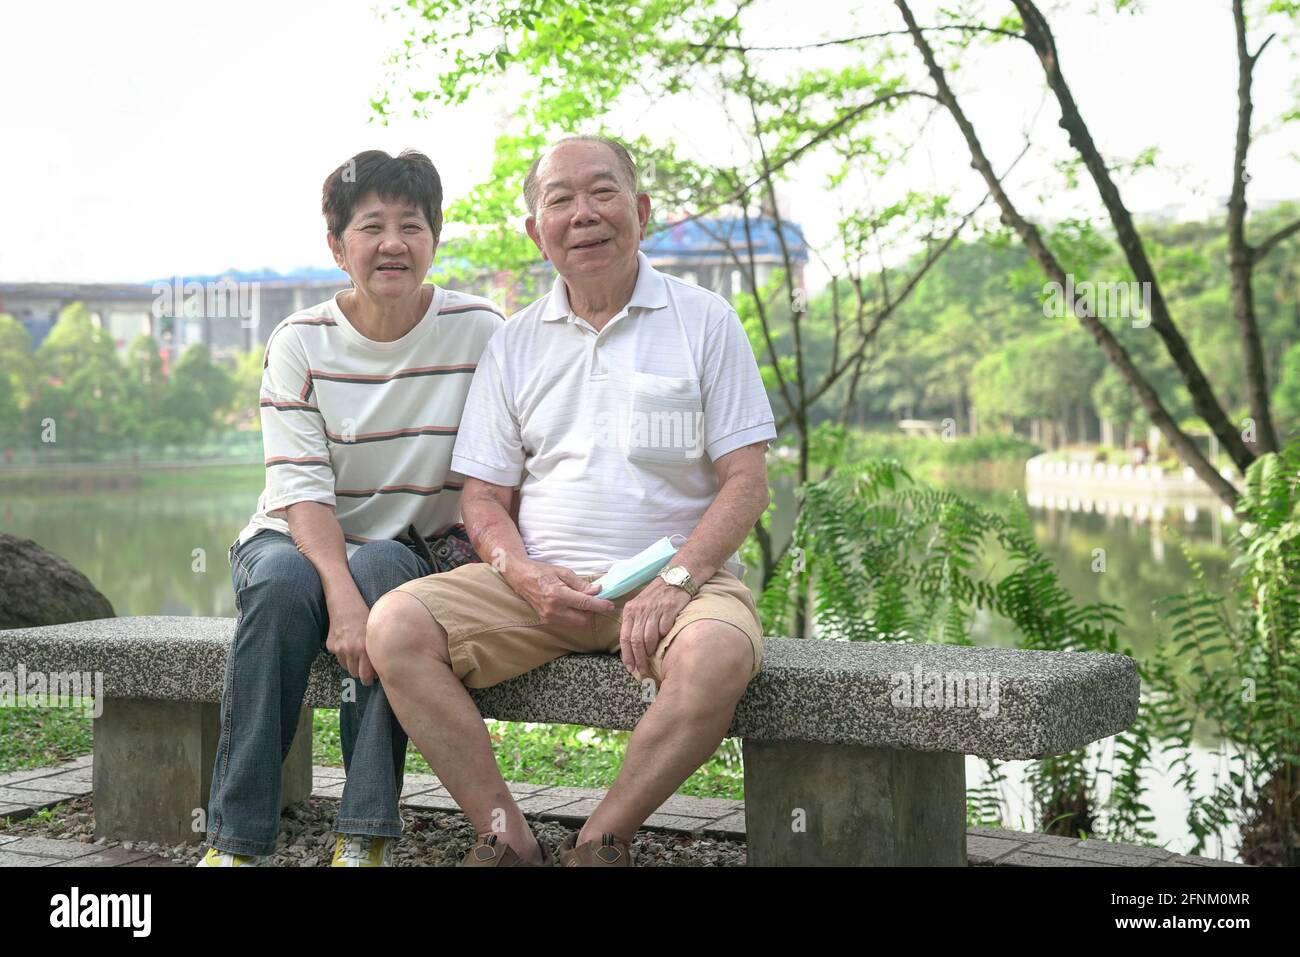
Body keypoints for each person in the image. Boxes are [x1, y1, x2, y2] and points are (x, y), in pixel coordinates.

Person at [366, 135, 776, 867]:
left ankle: (601, 837)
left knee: (718, 653)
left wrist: (677, 580)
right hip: (537, 588)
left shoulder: (705, 320)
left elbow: (747, 482)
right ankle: (504, 833)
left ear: (641, 211)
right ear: (537, 231)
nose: (583, 213)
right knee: (395, 623)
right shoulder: (514, 341)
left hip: (679, 588)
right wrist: (522, 573)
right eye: (560, 199)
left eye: (603, 192)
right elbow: (484, 498)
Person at [197, 149, 504, 867]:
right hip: (293, 536)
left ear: (434, 237)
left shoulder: (482, 331)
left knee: (390, 575)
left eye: (411, 225)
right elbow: (301, 492)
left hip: (406, 545)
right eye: (371, 226)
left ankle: (363, 832)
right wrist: (341, 600)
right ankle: (236, 842)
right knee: (279, 589)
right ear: (338, 246)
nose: (392, 243)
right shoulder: (301, 341)